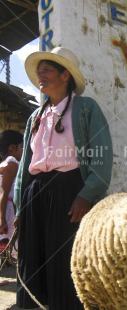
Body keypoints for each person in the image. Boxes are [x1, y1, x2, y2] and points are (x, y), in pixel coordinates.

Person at [14, 47, 113, 310]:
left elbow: (101, 155)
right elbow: (26, 163)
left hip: (69, 190)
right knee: (32, 258)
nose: (40, 76)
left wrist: (87, 194)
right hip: (35, 191)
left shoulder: (85, 108)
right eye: (39, 72)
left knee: (65, 260)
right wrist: (21, 202)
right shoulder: (36, 116)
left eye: (46, 70)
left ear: (65, 74)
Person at [0, 130, 23, 253]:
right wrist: (2, 218)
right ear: (12, 148)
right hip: (7, 211)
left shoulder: (4, 164)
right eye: (21, 147)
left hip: (4, 209)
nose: (23, 151)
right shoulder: (12, 164)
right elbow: (4, 191)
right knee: (15, 249)